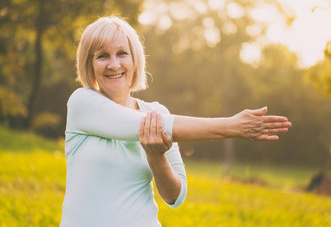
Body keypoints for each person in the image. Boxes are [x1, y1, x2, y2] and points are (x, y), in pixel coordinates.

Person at [60, 16, 291, 227]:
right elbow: (148, 125)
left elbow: (175, 197)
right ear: (89, 63)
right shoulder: (82, 103)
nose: (114, 64)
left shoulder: (156, 112)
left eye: (122, 53)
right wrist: (231, 126)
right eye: (102, 56)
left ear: (134, 58)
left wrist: (155, 156)